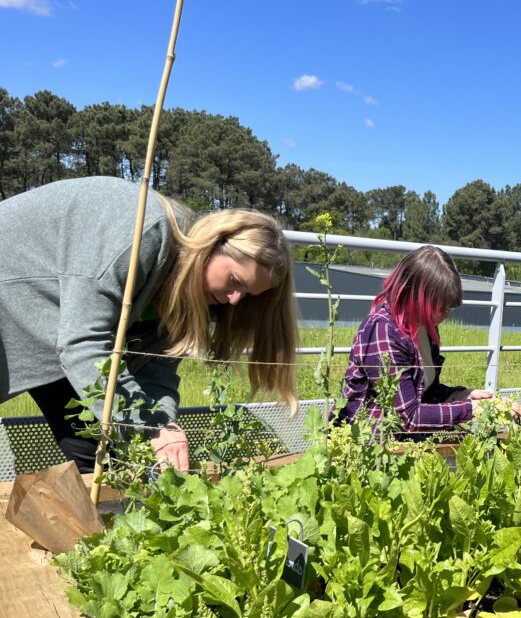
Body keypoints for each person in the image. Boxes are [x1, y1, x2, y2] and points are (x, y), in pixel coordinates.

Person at [0, 176, 299, 473]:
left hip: (59, 325)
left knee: (98, 452)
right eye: (235, 281)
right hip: (15, 287)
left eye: (247, 294)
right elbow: (82, 344)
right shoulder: (144, 235)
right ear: (213, 245)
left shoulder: (197, 291)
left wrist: (163, 424)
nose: (235, 300)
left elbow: (157, 368)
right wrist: (151, 428)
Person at [337, 246, 521, 434]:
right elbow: (407, 418)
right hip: (368, 445)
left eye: (449, 308)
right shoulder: (383, 330)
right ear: (418, 296)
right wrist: (471, 409)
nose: (446, 314)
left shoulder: (426, 328)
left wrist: (465, 396)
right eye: (442, 307)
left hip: (402, 442)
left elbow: (426, 394)